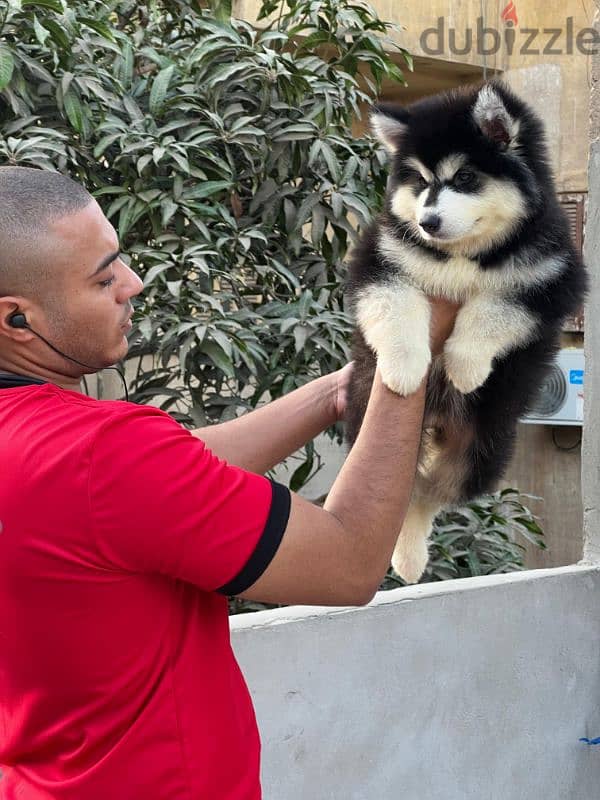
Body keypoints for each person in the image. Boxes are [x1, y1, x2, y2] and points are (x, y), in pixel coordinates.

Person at [0, 167, 459, 799]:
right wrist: (413, 352)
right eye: (103, 278)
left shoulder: (63, 454)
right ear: (18, 320)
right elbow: (350, 563)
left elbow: (173, 478)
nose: (133, 285)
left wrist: (339, 390)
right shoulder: (103, 455)